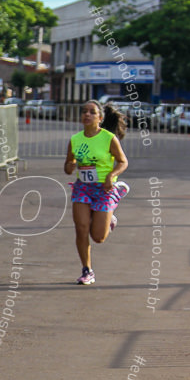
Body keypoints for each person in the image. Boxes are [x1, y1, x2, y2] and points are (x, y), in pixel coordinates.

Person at [64, 101, 130, 285]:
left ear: (100, 118)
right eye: (84, 111)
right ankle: (87, 270)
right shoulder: (75, 139)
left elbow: (123, 162)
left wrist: (112, 176)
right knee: (81, 228)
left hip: (104, 188)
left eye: (92, 112)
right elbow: (68, 166)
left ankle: (110, 217)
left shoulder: (109, 138)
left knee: (98, 237)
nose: (87, 115)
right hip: (82, 187)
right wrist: (70, 165)